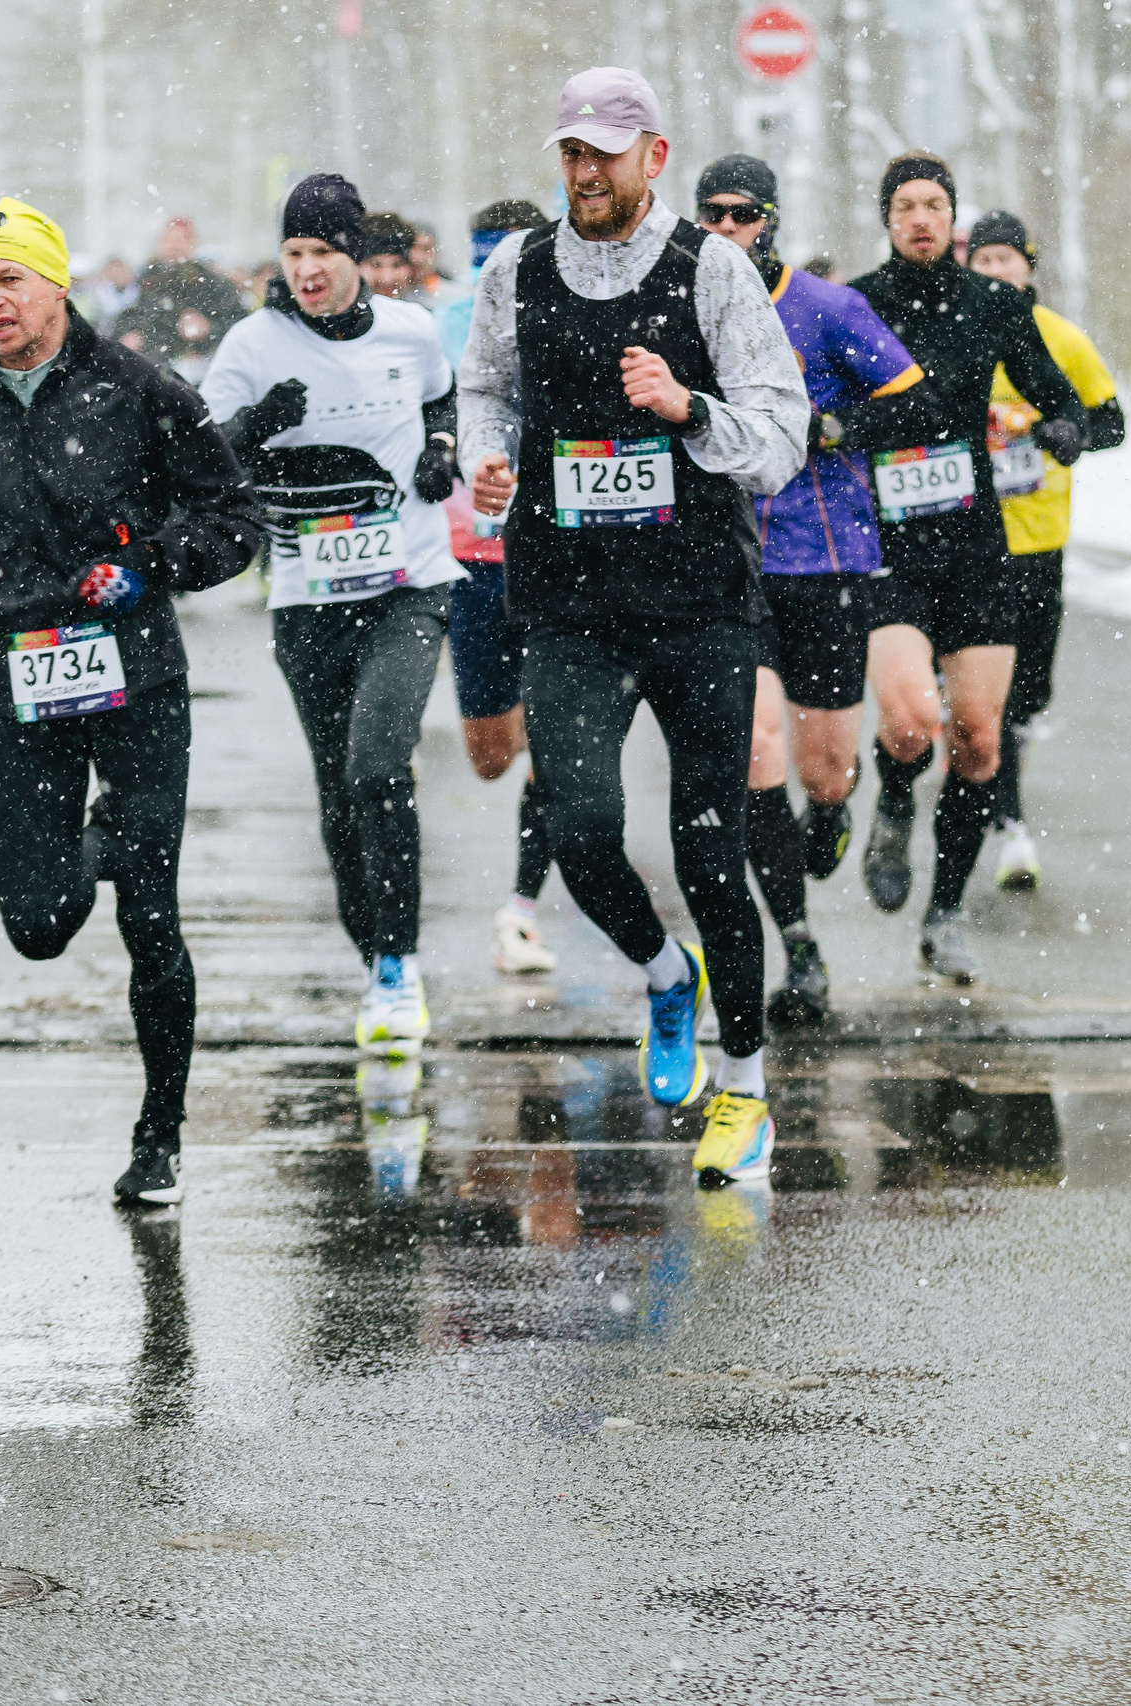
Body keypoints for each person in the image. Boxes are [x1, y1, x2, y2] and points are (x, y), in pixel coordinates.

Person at [459, 68, 807, 1188]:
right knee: (576, 822)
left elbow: (783, 434)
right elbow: (484, 391)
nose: (585, 172)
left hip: (697, 601)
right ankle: (665, 976)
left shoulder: (712, 270)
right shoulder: (517, 268)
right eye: (570, 151)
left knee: (712, 851)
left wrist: (687, 408)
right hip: (567, 599)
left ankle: (744, 1092)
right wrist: (487, 460)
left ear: (654, 157)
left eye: (605, 153)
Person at [0, 197, 265, 1207]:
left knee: (151, 915)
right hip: (18, 684)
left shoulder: (137, 388)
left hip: (134, 678)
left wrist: (151, 566)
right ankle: (105, 842)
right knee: (35, 922)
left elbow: (230, 517)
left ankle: (160, 1137)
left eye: (9, 279)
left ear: (56, 283)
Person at [202, 174, 467, 1052]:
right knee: (337, 791)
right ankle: (376, 956)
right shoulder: (250, 344)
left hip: (408, 584)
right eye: (294, 254)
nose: (308, 270)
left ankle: (399, 967)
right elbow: (195, 464)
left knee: (378, 765)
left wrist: (440, 448)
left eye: (324, 252)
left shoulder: (410, 327)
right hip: (309, 599)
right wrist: (253, 428)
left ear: (355, 255)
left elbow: (442, 393)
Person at [693, 153, 933, 1026]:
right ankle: (799, 948)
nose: (725, 230)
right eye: (710, 215)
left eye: (741, 215)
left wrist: (841, 425)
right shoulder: (684, 306)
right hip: (731, 567)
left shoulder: (829, 310)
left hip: (827, 562)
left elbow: (916, 400)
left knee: (822, 769)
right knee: (756, 755)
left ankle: (836, 808)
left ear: (770, 220)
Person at [847, 154, 1087, 984]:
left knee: (979, 742)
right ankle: (890, 797)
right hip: (887, 545)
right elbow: (815, 399)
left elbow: (1058, 396)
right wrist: (840, 426)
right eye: (906, 206)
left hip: (978, 546)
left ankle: (945, 912)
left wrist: (1063, 429)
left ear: (953, 216)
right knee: (912, 721)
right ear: (887, 217)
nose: (921, 218)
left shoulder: (993, 305)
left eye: (935, 204)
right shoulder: (859, 304)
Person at [964, 209, 1125, 890]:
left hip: (1040, 539)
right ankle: (1006, 820)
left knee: (1029, 691)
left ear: (1028, 267)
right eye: (984, 260)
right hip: (969, 539)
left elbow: (1111, 423)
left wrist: (1067, 432)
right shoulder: (953, 335)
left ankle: (998, 763)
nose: (997, 271)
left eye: (1007, 259)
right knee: (986, 698)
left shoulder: (1061, 339)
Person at [439, 197, 561, 976]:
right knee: (489, 757)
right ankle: (541, 746)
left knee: (554, 745)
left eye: (505, 254)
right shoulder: (442, 324)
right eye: (481, 254)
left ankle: (521, 909)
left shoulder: (565, 313)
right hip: (471, 561)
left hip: (550, 558)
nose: (494, 270)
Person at [117, 215, 247, 378]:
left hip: (199, 370)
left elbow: (239, 323)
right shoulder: (147, 280)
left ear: (192, 243)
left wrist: (208, 328)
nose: (173, 246)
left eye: (179, 239)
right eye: (167, 239)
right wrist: (129, 334)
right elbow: (128, 315)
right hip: (153, 368)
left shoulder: (211, 283)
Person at [360, 211, 422, 302]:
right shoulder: (340, 313)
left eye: (397, 265)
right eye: (376, 265)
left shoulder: (421, 314)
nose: (386, 278)